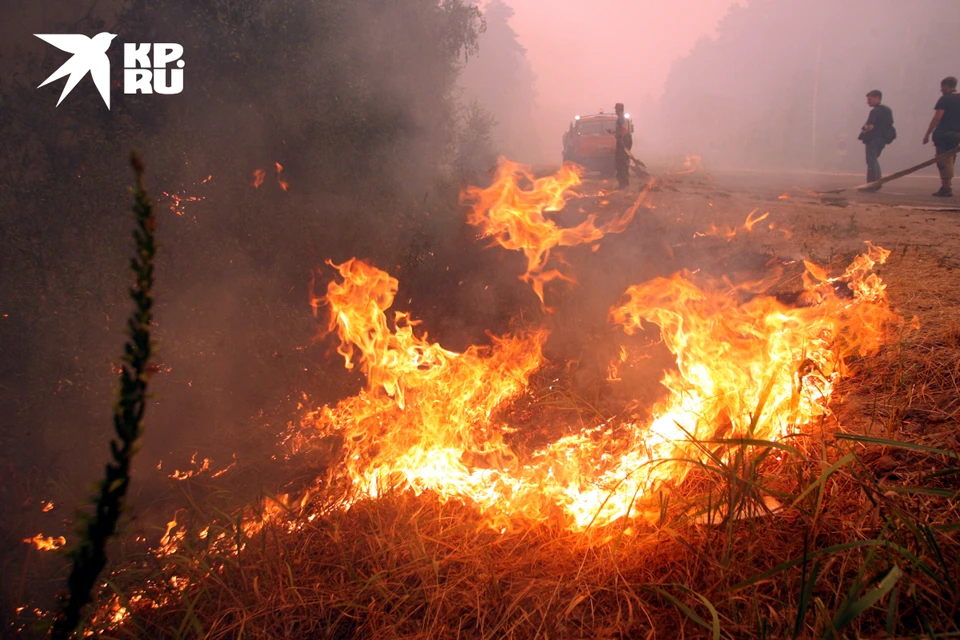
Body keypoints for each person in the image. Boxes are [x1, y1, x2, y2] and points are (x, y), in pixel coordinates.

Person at [923, 76, 960, 198]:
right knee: (950, 159)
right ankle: (946, 185)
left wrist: (927, 134)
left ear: (947, 86)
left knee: (943, 160)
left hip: (944, 134)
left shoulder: (945, 99)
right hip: (956, 135)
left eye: (942, 87)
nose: (941, 89)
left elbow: (937, 117)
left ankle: (946, 187)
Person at [858, 90, 895, 191]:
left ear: (877, 98)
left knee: (871, 161)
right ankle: (878, 182)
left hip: (873, 138)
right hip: (883, 139)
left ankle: (871, 184)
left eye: (870, 99)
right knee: (874, 160)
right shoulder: (887, 110)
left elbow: (870, 127)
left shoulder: (874, 111)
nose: (868, 102)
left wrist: (864, 132)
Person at [613, 103, 630, 189]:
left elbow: (623, 129)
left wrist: (621, 139)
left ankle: (623, 183)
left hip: (623, 140)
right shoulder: (625, 118)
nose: (615, 111)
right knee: (624, 161)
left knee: (621, 161)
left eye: (616, 109)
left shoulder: (620, 118)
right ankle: (624, 182)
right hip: (627, 139)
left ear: (617, 110)